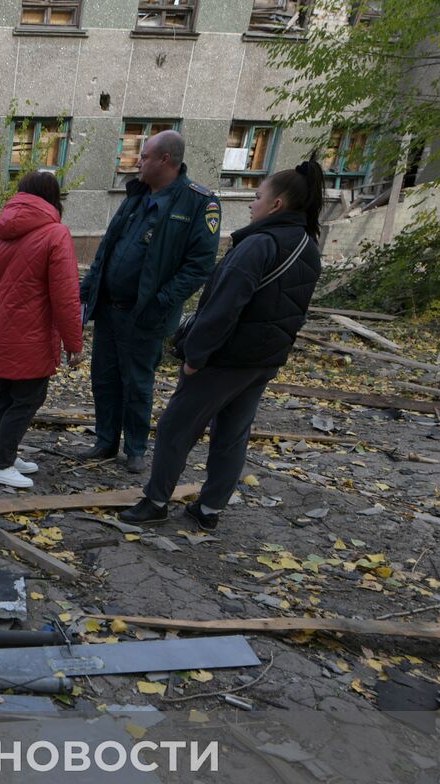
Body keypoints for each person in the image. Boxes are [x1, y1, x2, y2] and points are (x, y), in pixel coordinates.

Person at [119, 159, 326, 530]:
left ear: (277, 204)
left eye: (258, 196)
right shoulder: (307, 245)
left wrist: (196, 356)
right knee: (232, 433)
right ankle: (210, 509)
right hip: (263, 359)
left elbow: (222, 309)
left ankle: (155, 501)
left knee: (174, 428)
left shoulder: (259, 245)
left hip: (226, 358)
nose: (252, 203)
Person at [79, 130, 220, 473]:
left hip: (146, 315)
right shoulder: (137, 194)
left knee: (138, 383)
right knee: (104, 378)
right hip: (110, 310)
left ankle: (136, 448)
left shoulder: (199, 202)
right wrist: (89, 292)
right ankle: (105, 440)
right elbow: (108, 248)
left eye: (144, 156)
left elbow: (198, 267)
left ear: (165, 161)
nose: (138, 162)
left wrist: (160, 303)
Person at [0, 170, 84, 489]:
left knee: (5, 398)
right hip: (31, 338)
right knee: (28, 400)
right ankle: (1, 463)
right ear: (53, 198)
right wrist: (73, 343)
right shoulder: (55, 234)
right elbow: (65, 294)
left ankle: (4, 452)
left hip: (0, 334)